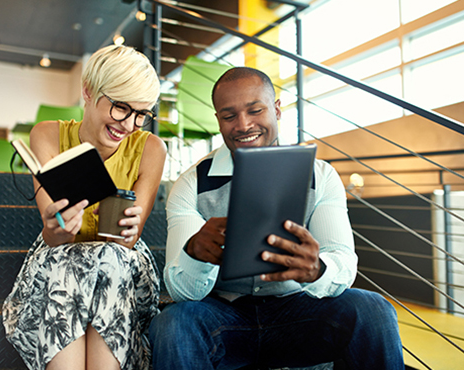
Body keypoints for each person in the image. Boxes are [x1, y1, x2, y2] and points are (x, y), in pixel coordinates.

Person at [148, 67, 404, 370]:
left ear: (277, 109)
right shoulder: (191, 183)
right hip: (224, 316)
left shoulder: (319, 176)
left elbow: (344, 263)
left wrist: (317, 269)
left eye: (255, 110)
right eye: (229, 117)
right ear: (218, 120)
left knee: (373, 309)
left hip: (299, 311)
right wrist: (195, 253)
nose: (243, 125)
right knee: (173, 322)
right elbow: (181, 292)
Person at [3, 45, 166, 370]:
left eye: (142, 114)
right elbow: (54, 238)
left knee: (107, 258)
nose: (130, 124)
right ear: (88, 91)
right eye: (121, 108)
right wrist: (56, 227)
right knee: (72, 261)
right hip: (60, 259)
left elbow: (127, 243)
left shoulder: (150, 148)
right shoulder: (48, 134)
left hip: (121, 263)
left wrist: (128, 227)